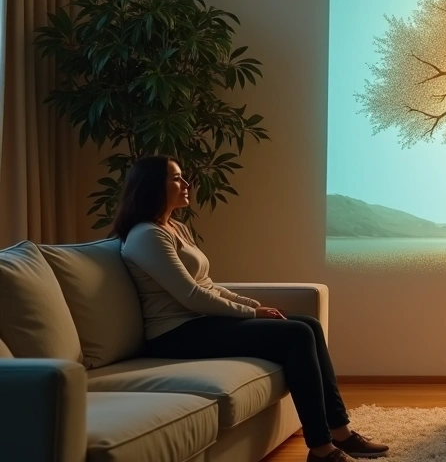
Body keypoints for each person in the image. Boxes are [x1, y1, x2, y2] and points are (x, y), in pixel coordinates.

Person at [115, 156, 388, 462]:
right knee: (296, 333)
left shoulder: (175, 227)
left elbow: (206, 283)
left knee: (307, 323)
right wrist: (251, 314)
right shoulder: (146, 236)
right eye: (177, 178)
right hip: (174, 334)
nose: (187, 184)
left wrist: (254, 305)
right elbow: (191, 295)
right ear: (152, 185)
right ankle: (322, 449)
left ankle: (342, 433)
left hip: (199, 322)